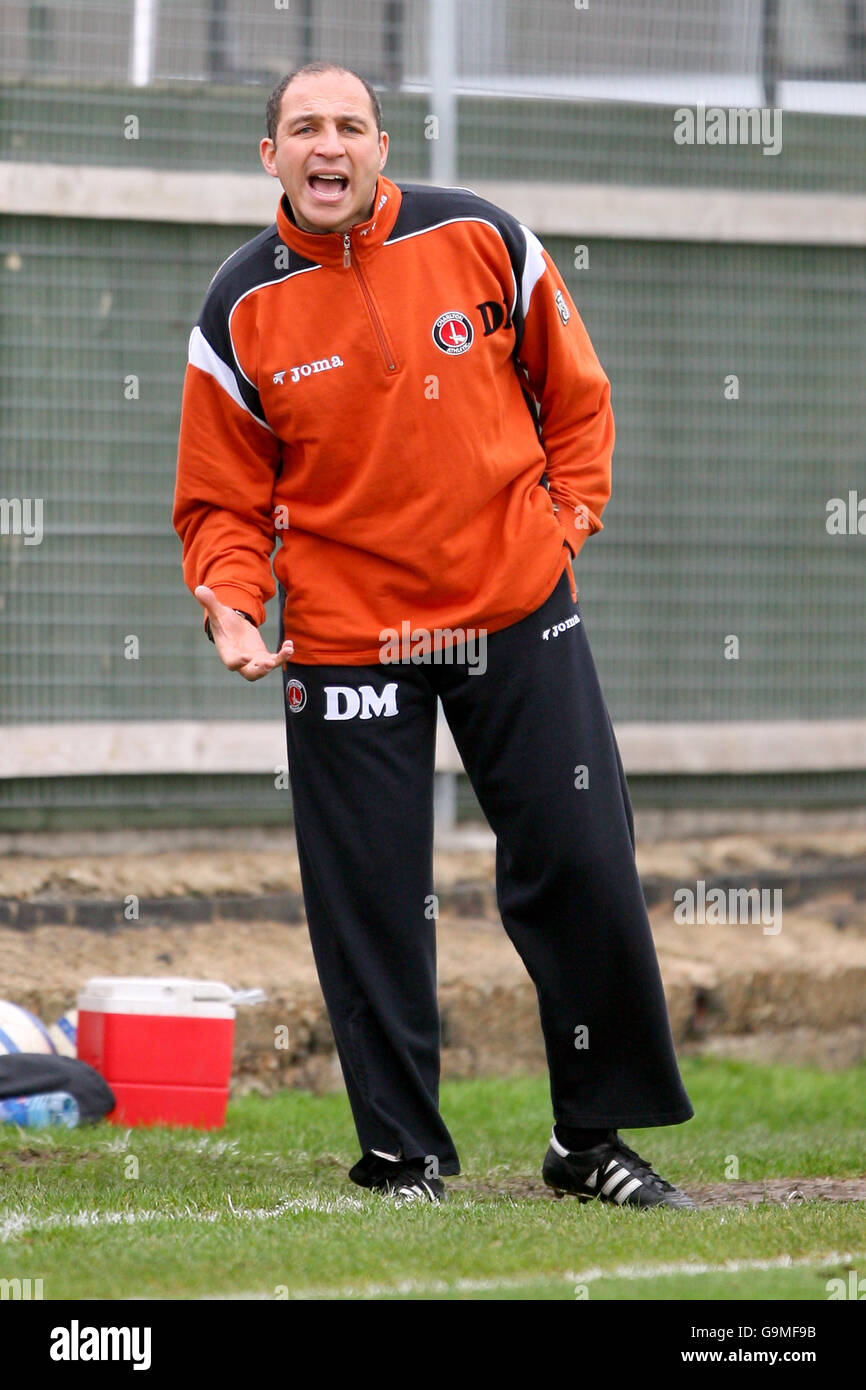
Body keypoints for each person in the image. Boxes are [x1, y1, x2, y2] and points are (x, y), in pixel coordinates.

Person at [173, 61, 695, 1208]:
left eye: (348, 126)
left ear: (379, 146)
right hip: (349, 637)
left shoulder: (483, 237)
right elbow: (217, 498)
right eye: (303, 128)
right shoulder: (238, 306)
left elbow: (578, 398)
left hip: (515, 609)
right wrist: (227, 598)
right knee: (370, 895)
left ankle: (589, 1139)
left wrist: (561, 528)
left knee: (580, 864)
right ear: (270, 157)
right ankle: (402, 1155)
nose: (328, 146)